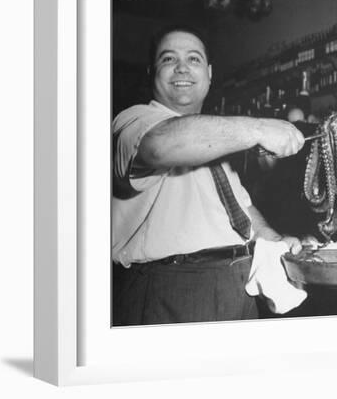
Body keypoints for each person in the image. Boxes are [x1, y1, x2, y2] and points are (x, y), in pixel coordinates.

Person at [112, 25, 305, 325]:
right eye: (168, 59)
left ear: (210, 73)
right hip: (170, 290)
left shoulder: (213, 139)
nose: (181, 68)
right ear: (152, 72)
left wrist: (277, 240)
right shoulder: (133, 121)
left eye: (194, 59)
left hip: (238, 288)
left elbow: (242, 211)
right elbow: (158, 147)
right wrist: (258, 128)